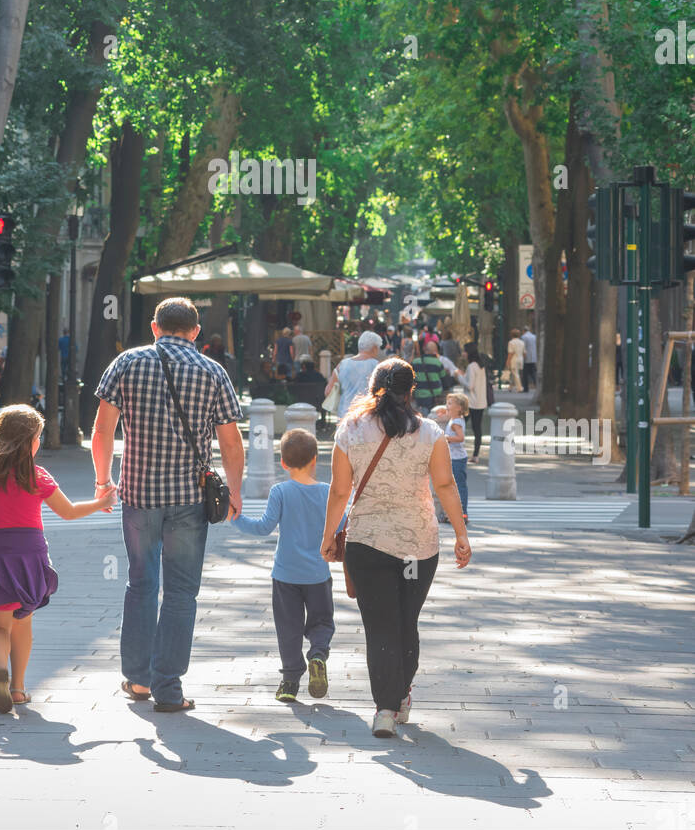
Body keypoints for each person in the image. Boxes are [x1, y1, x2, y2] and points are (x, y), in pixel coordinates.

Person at [91, 296, 245, 711]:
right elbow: (231, 441)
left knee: (141, 582)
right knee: (181, 593)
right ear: (196, 332)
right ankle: (168, 687)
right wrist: (234, 490)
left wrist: (103, 482)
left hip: (139, 497)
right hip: (190, 500)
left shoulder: (125, 364)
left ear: (155, 327)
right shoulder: (213, 372)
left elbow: (103, 430)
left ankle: (138, 680)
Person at [321, 358, 471, 738]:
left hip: (368, 544)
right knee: (406, 619)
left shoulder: (350, 430)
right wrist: (460, 533)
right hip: (417, 548)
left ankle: (385, 709)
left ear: (373, 389)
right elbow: (446, 486)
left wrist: (327, 535)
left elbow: (340, 491)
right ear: (411, 392)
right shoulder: (431, 432)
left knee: (380, 626)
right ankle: (402, 694)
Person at [0, 405, 116, 714]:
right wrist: (101, 502)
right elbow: (68, 512)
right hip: (31, 553)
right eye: (38, 437)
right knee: (23, 621)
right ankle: (17, 689)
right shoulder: (37, 476)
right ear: (29, 442)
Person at [230, 428, 346, 702]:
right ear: (315, 459)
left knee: (288, 628)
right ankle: (318, 653)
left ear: (282, 462)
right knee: (321, 621)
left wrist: (235, 518)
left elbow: (263, 528)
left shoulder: (280, 491)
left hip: (285, 575)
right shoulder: (328, 493)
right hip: (318, 573)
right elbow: (342, 526)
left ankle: (290, 683)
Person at [324, 330, 383, 420]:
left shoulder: (341, 365)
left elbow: (328, 391)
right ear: (374, 348)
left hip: (344, 416)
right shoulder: (378, 366)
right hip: (368, 417)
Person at [440, 390, 469, 524]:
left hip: (456, 459)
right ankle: (454, 514)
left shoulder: (455, 422)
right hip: (455, 458)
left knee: (457, 486)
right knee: (454, 486)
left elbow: (460, 438)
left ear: (459, 408)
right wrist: (443, 411)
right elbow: (447, 414)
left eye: (450, 403)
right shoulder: (455, 419)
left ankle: (462, 513)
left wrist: (446, 438)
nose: (447, 405)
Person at [461, 342, 490, 463]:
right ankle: (476, 455)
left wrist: (460, 378)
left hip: (471, 402)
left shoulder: (471, 366)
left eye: (464, 351)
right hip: (480, 401)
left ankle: (457, 451)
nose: (463, 353)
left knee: (459, 424)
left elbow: (470, 385)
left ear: (468, 353)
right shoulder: (480, 365)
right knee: (477, 428)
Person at [411, 340, 446, 414]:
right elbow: (444, 380)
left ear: (424, 350)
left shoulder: (415, 362)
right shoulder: (438, 363)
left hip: (419, 395)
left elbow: (411, 379)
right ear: (435, 351)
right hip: (435, 396)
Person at [521, 325, 537, 391]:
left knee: (525, 374)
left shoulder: (523, 337)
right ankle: (536, 384)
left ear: (524, 331)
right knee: (533, 373)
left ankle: (526, 388)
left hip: (526, 357)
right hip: (533, 357)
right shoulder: (534, 336)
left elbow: (523, 347)